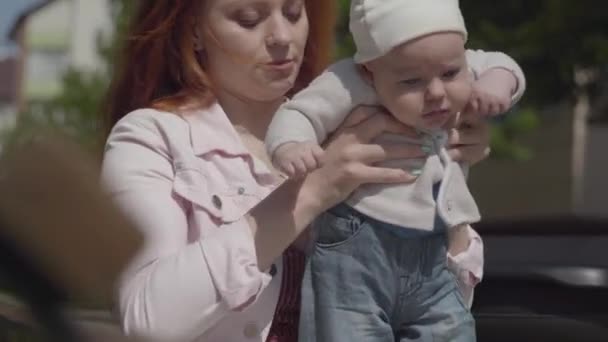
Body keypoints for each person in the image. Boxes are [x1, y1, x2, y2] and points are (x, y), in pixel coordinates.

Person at [100, 1, 521, 341]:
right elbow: (145, 318)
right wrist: (314, 190)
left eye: (293, 12)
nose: (282, 37)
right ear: (193, 28)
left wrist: (448, 167)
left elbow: (445, 302)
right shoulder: (152, 137)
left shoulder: (365, 113)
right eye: (249, 18)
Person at [264, 0, 525, 341]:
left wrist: (496, 85)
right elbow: (299, 113)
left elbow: (502, 64)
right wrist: (292, 145)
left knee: (450, 329)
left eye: (450, 74)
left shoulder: (449, 58)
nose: (435, 92)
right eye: (411, 82)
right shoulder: (348, 83)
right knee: (346, 330)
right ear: (370, 71)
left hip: (433, 252)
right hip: (357, 249)